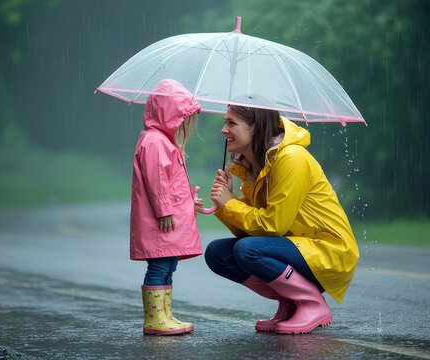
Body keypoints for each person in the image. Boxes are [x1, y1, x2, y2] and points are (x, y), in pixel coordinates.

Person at [198, 104, 359, 334]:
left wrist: (231, 204)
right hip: (294, 246)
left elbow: (273, 226)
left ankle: (310, 303)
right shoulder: (254, 165)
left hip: (329, 250)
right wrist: (225, 204)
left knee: (247, 250)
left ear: (255, 128)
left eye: (231, 123)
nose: (224, 129)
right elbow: (250, 230)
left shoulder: (291, 158)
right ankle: (291, 302)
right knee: (218, 254)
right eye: (225, 122)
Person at [130, 79, 202, 335]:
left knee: (169, 265)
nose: (184, 125)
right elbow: (156, 181)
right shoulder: (154, 142)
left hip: (168, 220)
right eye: (182, 118)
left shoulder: (163, 142)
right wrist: (165, 210)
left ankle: (164, 314)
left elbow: (171, 186)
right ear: (169, 113)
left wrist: (188, 203)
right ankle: (154, 319)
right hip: (160, 222)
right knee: (159, 266)